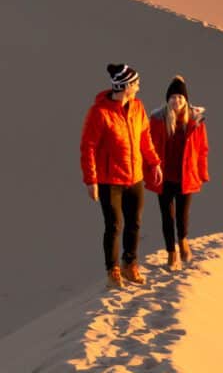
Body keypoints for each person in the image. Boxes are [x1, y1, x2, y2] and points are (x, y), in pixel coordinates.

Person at [80, 63, 162, 289]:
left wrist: (154, 162)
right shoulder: (99, 113)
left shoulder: (137, 107)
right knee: (114, 225)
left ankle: (130, 264)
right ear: (124, 86)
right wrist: (91, 180)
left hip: (134, 177)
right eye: (135, 83)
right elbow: (88, 147)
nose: (138, 86)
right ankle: (112, 270)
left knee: (134, 223)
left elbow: (145, 137)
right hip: (110, 181)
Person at [145, 75, 209, 270]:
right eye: (173, 97)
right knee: (167, 216)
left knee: (182, 214)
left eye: (180, 97)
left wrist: (202, 173)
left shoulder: (195, 121)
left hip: (186, 175)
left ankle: (183, 242)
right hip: (163, 176)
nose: (176, 101)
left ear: (186, 100)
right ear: (167, 99)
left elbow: (203, 149)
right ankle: (171, 253)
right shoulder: (157, 120)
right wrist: (148, 168)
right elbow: (147, 146)